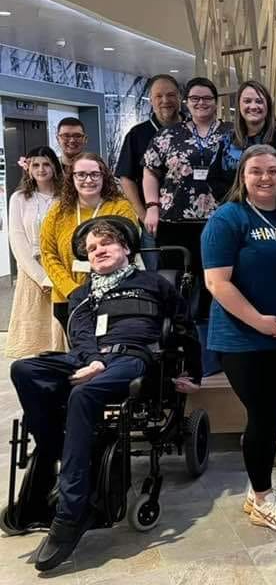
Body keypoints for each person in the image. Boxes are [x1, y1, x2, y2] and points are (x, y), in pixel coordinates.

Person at [12, 217, 194, 572]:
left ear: (126, 247)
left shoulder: (154, 283)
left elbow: (183, 326)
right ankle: (51, 449)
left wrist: (192, 372)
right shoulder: (82, 295)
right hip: (87, 359)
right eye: (92, 248)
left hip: (132, 356)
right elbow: (79, 335)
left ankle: (71, 511)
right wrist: (93, 360)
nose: (98, 251)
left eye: (106, 243)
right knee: (24, 370)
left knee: (82, 397)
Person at [202, 145, 276, 532]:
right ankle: (264, 499)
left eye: (273, 170)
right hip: (243, 337)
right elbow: (216, 282)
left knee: (270, 412)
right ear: (243, 176)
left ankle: (258, 493)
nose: (265, 178)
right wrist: (258, 321)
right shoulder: (227, 218)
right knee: (264, 414)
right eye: (256, 171)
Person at [143, 77, 233, 374]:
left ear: (215, 100)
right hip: (174, 223)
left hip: (218, 222)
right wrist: (152, 207)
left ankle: (210, 359)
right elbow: (150, 172)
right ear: (186, 101)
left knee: (214, 287)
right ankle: (176, 353)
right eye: (194, 98)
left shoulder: (230, 133)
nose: (200, 103)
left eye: (206, 98)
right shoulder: (169, 135)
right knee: (175, 287)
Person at [40, 152, 138, 331]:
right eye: (81, 174)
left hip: (112, 296)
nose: (88, 180)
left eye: (95, 174)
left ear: (104, 176)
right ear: (72, 177)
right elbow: (48, 253)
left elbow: (127, 248)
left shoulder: (120, 208)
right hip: (67, 298)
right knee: (81, 352)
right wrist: (72, 289)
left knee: (110, 349)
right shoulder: (58, 212)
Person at [116, 74, 183, 265]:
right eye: (158, 96)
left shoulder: (193, 129)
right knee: (158, 279)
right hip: (154, 224)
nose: (165, 101)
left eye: (170, 95)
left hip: (191, 223)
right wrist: (143, 215)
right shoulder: (138, 134)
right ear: (150, 100)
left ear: (179, 97)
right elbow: (126, 178)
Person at [6, 146, 65, 357]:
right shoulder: (20, 198)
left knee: (61, 330)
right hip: (32, 272)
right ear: (28, 168)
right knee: (34, 340)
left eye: (47, 164)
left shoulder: (66, 196)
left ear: (55, 167)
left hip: (61, 267)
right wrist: (41, 277)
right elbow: (18, 239)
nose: (41, 169)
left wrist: (56, 274)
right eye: (36, 165)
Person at [209, 79, 276, 201]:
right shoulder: (227, 140)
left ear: (268, 105)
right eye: (247, 101)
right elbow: (213, 179)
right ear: (239, 105)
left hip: (272, 208)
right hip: (234, 209)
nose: (253, 106)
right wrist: (237, 202)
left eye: (259, 101)